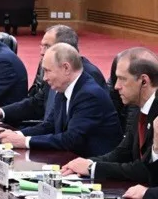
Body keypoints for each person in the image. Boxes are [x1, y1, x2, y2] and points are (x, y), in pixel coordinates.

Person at [0, 44, 121, 157]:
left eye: (47, 71)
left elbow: (71, 139)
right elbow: (49, 126)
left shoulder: (89, 94)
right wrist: (15, 134)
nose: (44, 78)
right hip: (71, 159)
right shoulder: (63, 88)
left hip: (96, 168)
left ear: (66, 68)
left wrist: (24, 141)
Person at [62, 48, 158, 182]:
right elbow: (122, 153)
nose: (116, 86)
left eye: (122, 79)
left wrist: (92, 168)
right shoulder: (139, 108)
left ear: (144, 81)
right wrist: (88, 163)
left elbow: (146, 170)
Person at [0, 25, 106, 127]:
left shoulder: (89, 75)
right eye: (41, 46)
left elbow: (75, 133)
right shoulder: (52, 70)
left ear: (64, 48)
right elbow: (37, 104)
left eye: (47, 46)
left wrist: (24, 139)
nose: (42, 52)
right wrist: (1, 112)